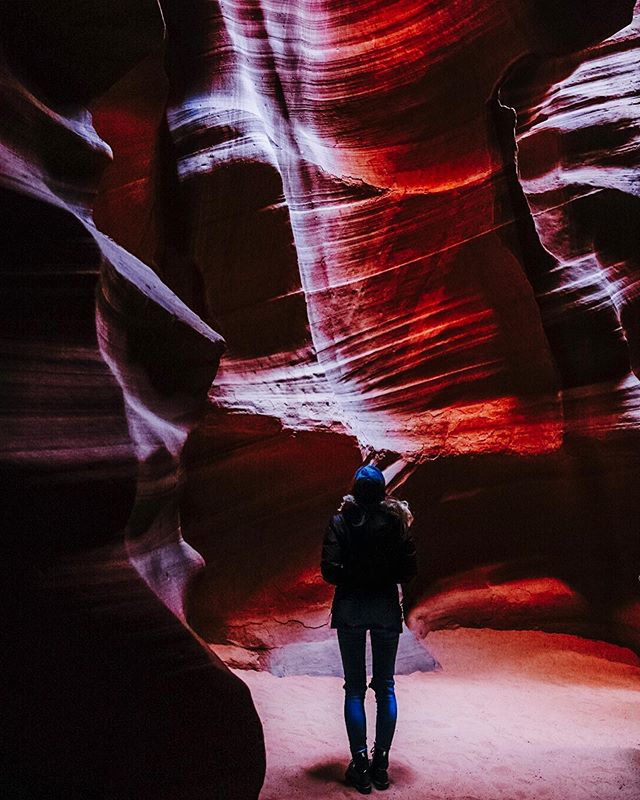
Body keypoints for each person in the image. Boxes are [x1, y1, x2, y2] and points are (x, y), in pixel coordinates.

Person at [321, 464, 418, 794]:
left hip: (350, 608)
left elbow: (330, 571)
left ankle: (360, 764)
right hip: (385, 609)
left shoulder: (340, 521)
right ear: (382, 491)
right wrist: (381, 574)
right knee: (386, 686)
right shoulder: (396, 523)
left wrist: (356, 574)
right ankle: (381, 765)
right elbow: (408, 570)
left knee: (354, 688)